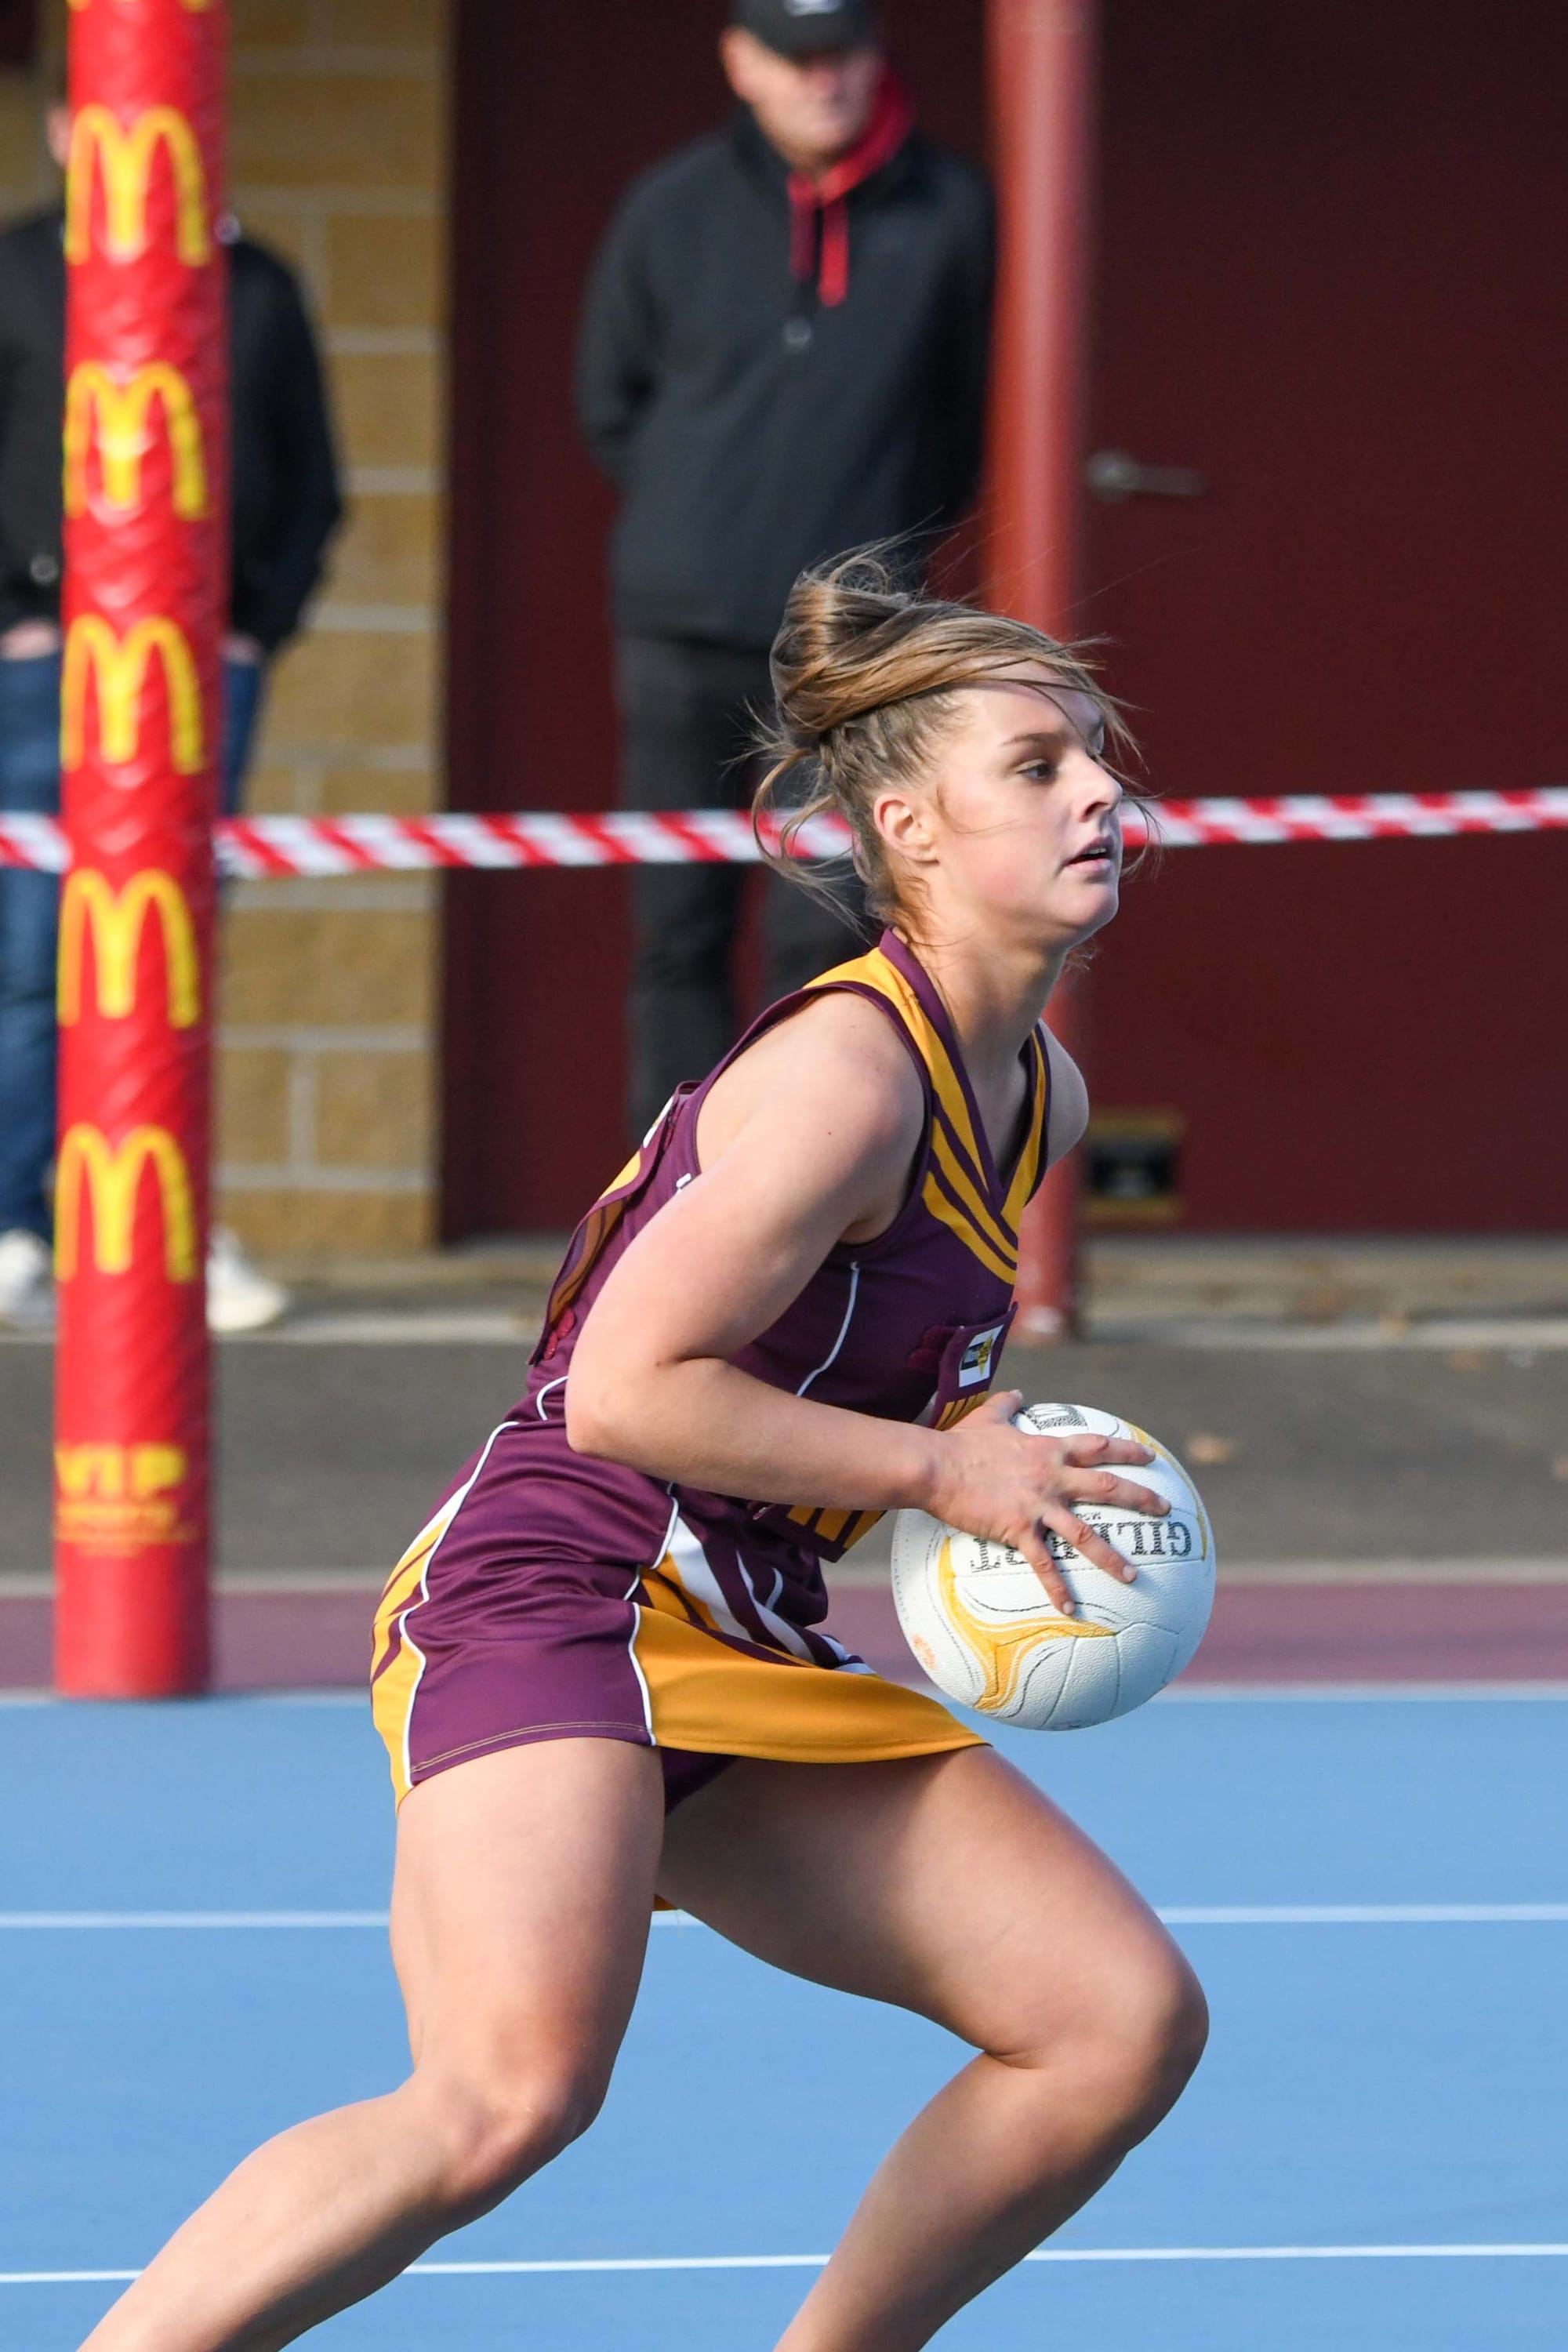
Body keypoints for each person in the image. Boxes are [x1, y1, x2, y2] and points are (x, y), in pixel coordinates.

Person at [78, 554, 1207, 2352]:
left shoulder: (1036, 1092)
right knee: (504, 2097)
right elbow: (623, 1393)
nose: (1101, 797)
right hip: (560, 1579)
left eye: (1096, 757)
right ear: (904, 825)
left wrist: (970, 1432)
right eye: (1039, 765)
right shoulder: (850, 1075)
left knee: (1113, 2019)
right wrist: (936, 1476)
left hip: (736, 1620)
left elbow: (859, 1351)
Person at [578, 0, 995, 1138]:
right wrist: (696, 519)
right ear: (740, 63)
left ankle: (799, 1193)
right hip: (680, 628)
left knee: (831, 924)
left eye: (843, 54)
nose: (824, 81)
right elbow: (608, 405)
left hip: (853, 642)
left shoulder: (952, 211)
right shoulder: (672, 208)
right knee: (678, 924)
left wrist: (881, 555)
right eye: (795, 57)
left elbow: (965, 422)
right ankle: (665, 1207)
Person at [0, 98, 342, 1334]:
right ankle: (20, 1223)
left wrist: (253, 619)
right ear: (55, 130)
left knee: (168, 954)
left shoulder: (257, 288)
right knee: (41, 953)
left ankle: (163, 1223)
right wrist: (14, 614)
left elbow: (314, 482)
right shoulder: (20, 271)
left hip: (206, 668)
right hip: (45, 663)